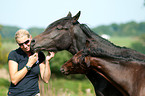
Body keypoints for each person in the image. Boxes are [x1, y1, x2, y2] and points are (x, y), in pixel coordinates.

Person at [7, 29, 55, 96]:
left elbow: (46, 79)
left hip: (34, 93)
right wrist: (29, 64)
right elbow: (14, 80)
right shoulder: (14, 54)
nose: (25, 46)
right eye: (21, 44)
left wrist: (47, 61)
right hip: (16, 94)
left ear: (31, 38)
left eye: (26, 42)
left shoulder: (39, 54)